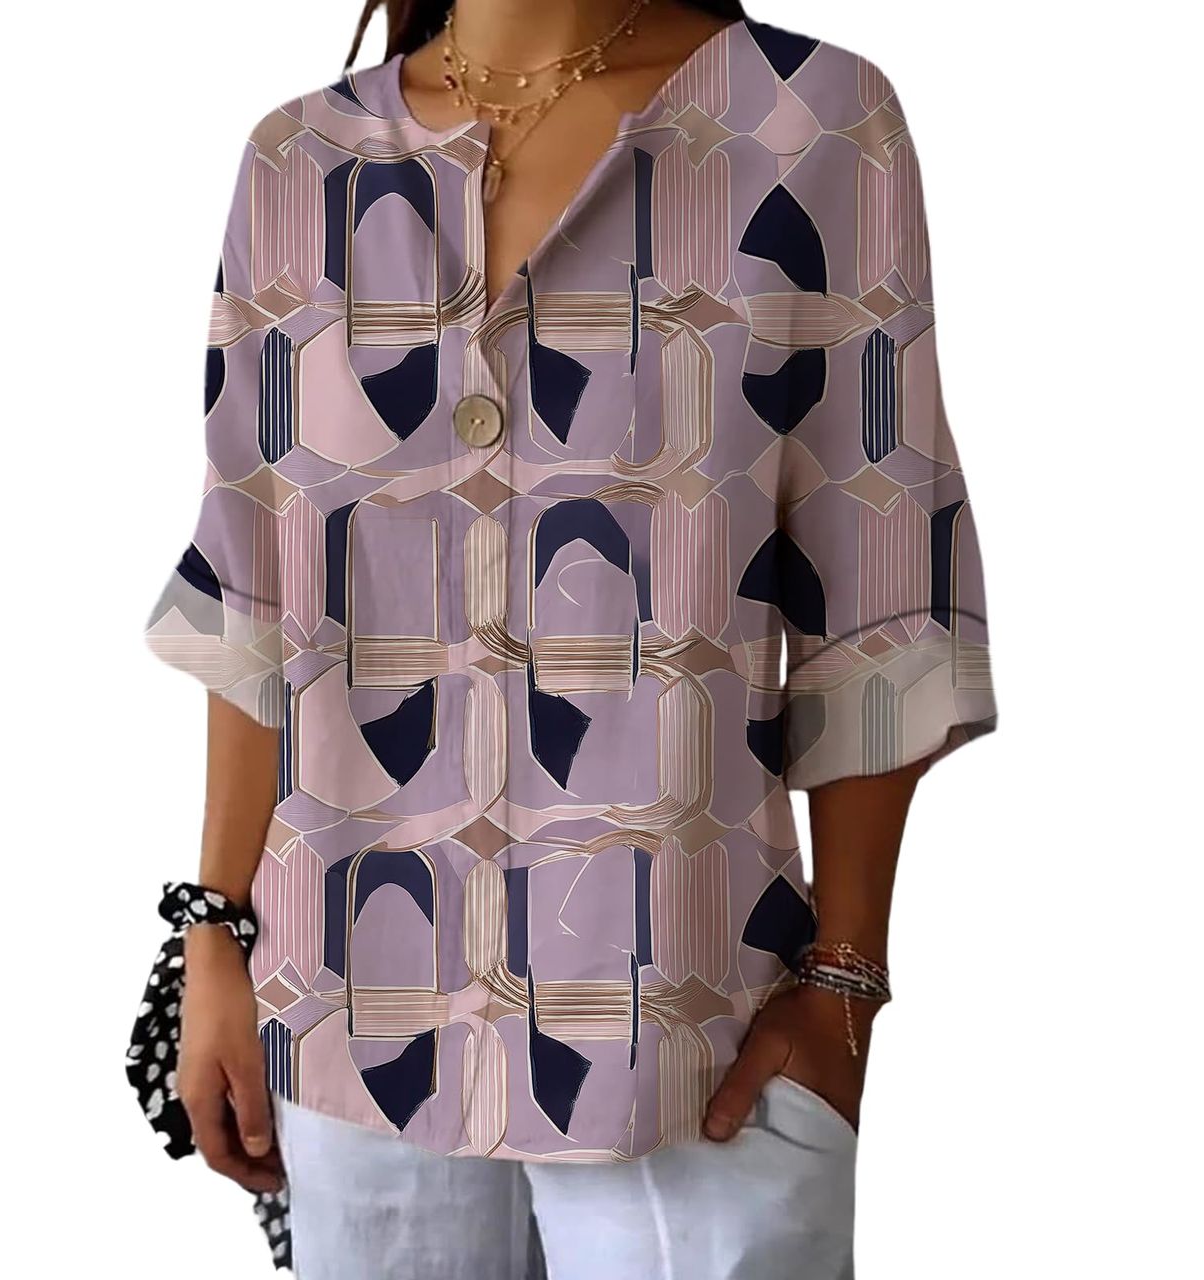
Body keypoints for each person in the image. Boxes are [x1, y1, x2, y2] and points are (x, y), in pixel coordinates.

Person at [138, 1, 998, 1275]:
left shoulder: (806, 124)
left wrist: (845, 980)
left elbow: (879, 581)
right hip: (350, 1012)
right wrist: (213, 928)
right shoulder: (299, 163)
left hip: (696, 1032)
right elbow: (252, 586)